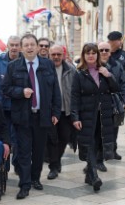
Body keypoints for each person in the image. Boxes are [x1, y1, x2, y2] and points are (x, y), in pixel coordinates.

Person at [3, 33, 61, 200]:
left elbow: (55, 91)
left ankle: (35, 178)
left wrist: (56, 112)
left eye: (32, 44)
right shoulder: (13, 66)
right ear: (21, 48)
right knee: (23, 151)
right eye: (26, 45)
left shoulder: (48, 65)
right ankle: (25, 184)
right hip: (22, 117)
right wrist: (21, 92)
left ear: (37, 47)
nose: (29, 47)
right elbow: (6, 89)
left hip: (42, 116)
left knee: (39, 151)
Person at [71, 43, 118, 191]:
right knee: (89, 144)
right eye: (87, 53)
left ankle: (88, 176)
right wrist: (75, 117)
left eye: (93, 53)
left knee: (97, 144)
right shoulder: (79, 73)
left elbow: (115, 89)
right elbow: (74, 97)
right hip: (86, 115)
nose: (91, 55)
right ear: (84, 56)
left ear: (97, 55)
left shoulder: (104, 70)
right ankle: (95, 176)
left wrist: (108, 75)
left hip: (103, 115)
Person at [97, 42, 125, 168]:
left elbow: (124, 83)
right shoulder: (93, 65)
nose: (104, 52)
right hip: (98, 105)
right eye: (101, 50)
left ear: (110, 52)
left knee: (114, 128)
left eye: (106, 50)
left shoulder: (117, 65)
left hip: (113, 104)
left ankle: (112, 150)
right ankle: (100, 157)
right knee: (99, 131)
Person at [45, 44, 76, 180]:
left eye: (59, 54)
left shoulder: (71, 69)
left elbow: (76, 91)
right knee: (52, 140)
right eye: (53, 54)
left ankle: (56, 161)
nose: (56, 57)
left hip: (66, 111)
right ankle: (53, 166)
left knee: (64, 137)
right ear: (49, 55)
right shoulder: (44, 69)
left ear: (63, 55)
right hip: (50, 112)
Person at [0, 35, 21, 173]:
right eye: (12, 45)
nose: (14, 47)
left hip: (20, 106)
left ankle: (16, 162)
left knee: (18, 137)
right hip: (3, 107)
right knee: (5, 136)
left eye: (17, 45)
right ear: (8, 46)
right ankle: (5, 165)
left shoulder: (25, 61)